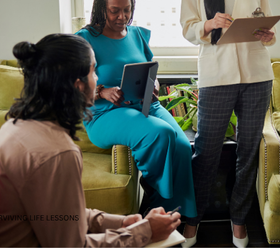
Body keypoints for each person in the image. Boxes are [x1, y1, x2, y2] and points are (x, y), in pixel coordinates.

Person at [0, 34, 181, 247]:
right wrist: (145, 231)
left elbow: (59, 213)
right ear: (78, 86)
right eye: (94, 70)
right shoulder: (58, 154)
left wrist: (122, 222)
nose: (97, 79)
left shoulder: (15, 126)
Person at [179, 0, 276, 248]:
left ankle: (238, 220)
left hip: (257, 74)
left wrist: (267, 35)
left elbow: (266, 27)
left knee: (248, 151)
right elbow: (188, 29)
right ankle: (192, 220)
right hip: (216, 76)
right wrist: (208, 24)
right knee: (205, 152)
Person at [76, 0, 196, 218]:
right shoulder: (86, 38)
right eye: (114, 11)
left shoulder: (137, 35)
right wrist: (102, 91)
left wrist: (154, 85)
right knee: (161, 135)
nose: (122, 16)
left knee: (183, 146)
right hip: (105, 114)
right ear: (102, 9)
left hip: (145, 104)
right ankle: (160, 206)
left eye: (127, 10)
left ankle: (180, 214)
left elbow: (151, 70)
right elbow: (73, 82)